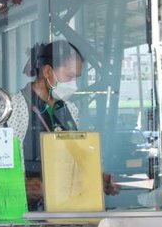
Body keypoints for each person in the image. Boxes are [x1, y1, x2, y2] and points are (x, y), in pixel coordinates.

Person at [8, 40, 119, 210]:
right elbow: (1, 170)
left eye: (76, 78)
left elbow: (75, 160)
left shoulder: (68, 109)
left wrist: (99, 178)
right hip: (28, 214)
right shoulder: (16, 107)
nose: (73, 84)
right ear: (47, 71)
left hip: (66, 208)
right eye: (69, 76)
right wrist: (27, 185)